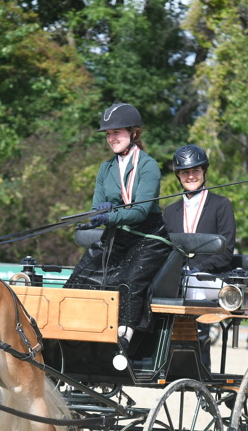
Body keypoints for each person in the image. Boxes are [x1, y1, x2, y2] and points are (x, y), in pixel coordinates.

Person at [65, 103, 171, 361]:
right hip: (118, 236)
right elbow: (96, 206)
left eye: (117, 132)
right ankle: (69, 336)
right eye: (108, 134)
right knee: (81, 275)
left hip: (149, 237)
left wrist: (109, 215)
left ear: (134, 133)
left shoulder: (148, 166)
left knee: (129, 280)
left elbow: (140, 212)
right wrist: (94, 217)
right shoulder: (105, 168)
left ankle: (123, 340)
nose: (112, 138)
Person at [162, 144, 237, 369]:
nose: (191, 176)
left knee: (193, 290)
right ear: (178, 175)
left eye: (195, 170)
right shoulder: (170, 211)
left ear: (204, 172)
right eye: (185, 172)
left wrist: (198, 268)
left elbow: (226, 251)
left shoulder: (221, 205)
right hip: (178, 278)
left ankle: (200, 362)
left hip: (210, 277)